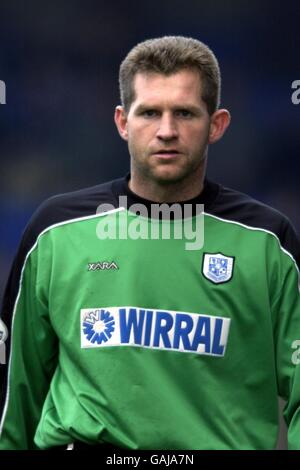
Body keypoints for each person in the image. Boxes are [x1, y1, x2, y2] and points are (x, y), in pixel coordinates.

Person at [0, 35, 299, 451]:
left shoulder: (269, 241)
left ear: (217, 124)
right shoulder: (55, 231)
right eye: (149, 113)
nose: (166, 131)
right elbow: (15, 393)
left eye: (185, 113)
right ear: (123, 122)